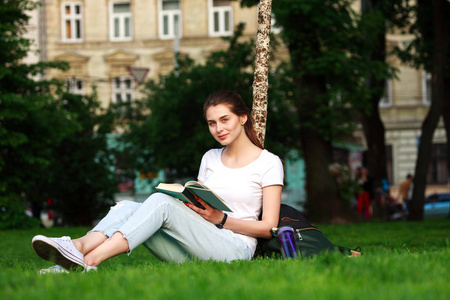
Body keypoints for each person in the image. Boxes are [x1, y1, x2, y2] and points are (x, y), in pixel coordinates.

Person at [31, 91, 284, 272]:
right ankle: (77, 247)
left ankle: (88, 261)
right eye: (211, 123)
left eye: (224, 120)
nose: (218, 128)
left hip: (234, 251)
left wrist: (221, 219)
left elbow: (269, 227)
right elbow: (198, 202)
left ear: (243, 117)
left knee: (160, 202)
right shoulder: (210, 157)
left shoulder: (268, 163)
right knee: (130, 208)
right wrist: (188, 204)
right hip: (195, 246)